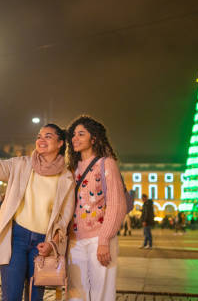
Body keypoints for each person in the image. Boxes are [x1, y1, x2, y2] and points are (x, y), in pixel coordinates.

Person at [0, 119, 75, 301]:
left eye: (48, 136)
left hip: (42, 244)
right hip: (16, 238)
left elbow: (64, 217)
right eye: (39, 136)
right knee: (11, 295)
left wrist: (51, 244)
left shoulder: (66, 176)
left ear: (60, 143)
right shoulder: (22, 164)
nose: (41, 140)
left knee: (34, 297)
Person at [66, 115, 126, 301]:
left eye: (81, 134)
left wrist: (104, 240)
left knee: (102, 293)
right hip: (75, 241)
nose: (75, 138)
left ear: (94, 139)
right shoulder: (71, 168)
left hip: (98, 239)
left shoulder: (106, 164)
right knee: (76, 294)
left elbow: (117, 204)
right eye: (74, 134)